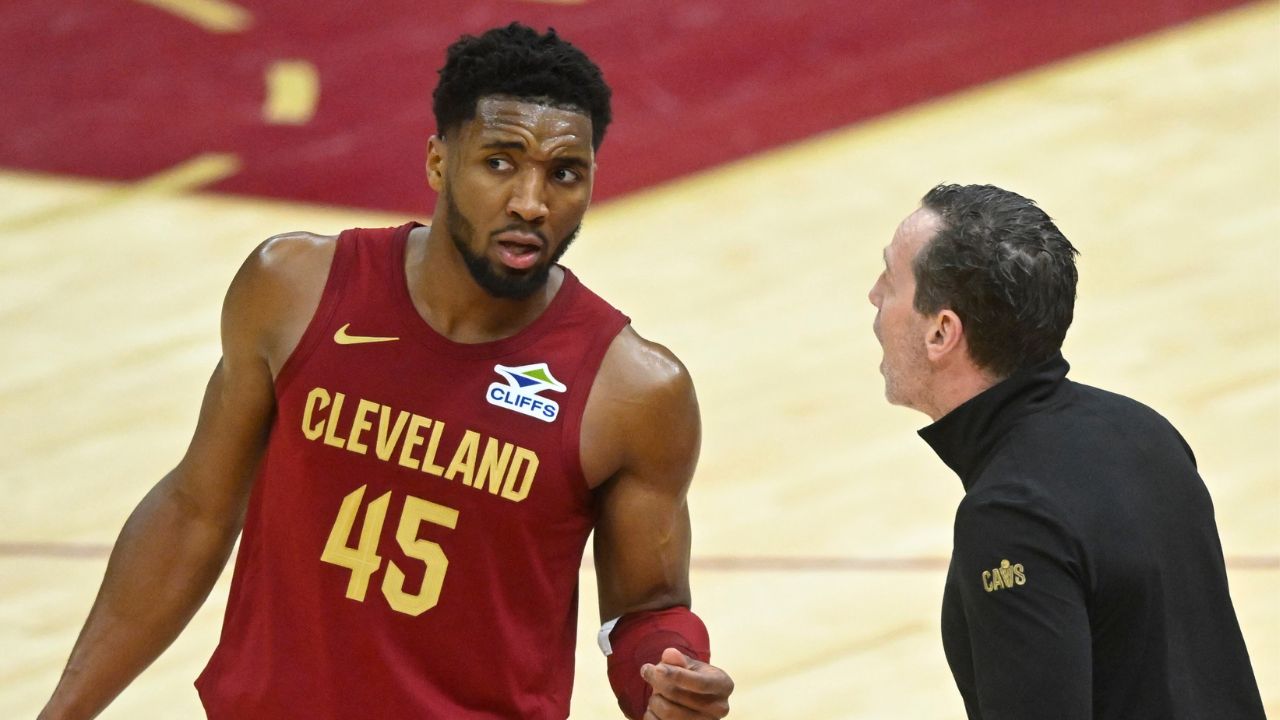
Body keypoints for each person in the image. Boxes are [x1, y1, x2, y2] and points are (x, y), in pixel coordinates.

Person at [40, 23, 733, 720]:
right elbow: (194, 514)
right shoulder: (294, 289)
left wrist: (667, 681)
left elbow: (647, 613)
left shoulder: (635, 391)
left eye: (564, 173)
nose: (531, 201)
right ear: (438, 162)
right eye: (500, 162)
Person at [867, 183, 1265, 719]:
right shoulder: (1142, 429)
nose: (874, 294)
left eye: (891, 280)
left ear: (942, 332)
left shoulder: (1011, 514)